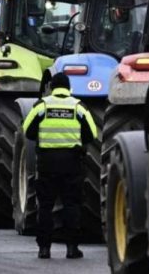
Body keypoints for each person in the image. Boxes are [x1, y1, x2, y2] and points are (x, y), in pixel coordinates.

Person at [22, 72, 97, 259]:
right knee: (72, 205)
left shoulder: (42, 105)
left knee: (45, 206)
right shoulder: (78, 107)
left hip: (47, 163)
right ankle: (72, 249)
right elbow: (92, 134)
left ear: (52, 87)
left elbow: (27, 131)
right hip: (72, 163)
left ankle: (44, 249)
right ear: (68, 87)